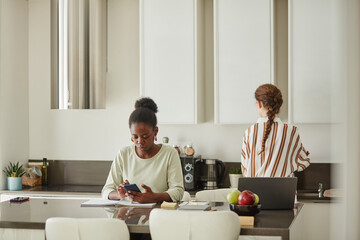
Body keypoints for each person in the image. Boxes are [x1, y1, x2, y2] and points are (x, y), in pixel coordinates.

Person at [102, 97, 184, 203]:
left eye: (145, 136)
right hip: (129, 216)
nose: (140, 142)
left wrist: (153, 197)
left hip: (159, 216)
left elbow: (178, 191)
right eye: (135, 137)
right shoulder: (123, 154)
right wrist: (119, 194)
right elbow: (106, 191)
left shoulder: (169, 154)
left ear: (155, 131)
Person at [241, 84, 310, 177]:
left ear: (259, 103)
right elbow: (303, 162)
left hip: (254, 190)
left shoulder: (250, 131)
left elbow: (244, 166)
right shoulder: (291, 131)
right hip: (284, 190)